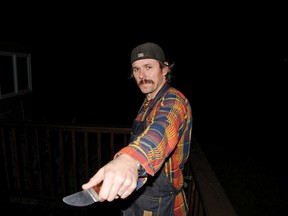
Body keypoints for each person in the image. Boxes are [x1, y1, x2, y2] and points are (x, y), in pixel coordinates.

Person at [82, 42, 193, 215]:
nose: (142, 75)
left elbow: (161, 130)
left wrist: (129, 161)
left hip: (163, 202)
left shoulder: (174, 101)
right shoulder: (148, 102)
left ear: (164, 69)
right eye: (136, 69)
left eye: (148, 67)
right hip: (140, 195)